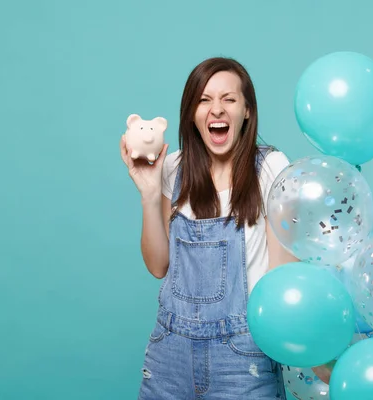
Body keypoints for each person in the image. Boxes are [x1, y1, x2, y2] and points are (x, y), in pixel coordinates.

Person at [120, 56, 298, 399]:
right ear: (192, 114)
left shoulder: (271, 168)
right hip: (169, 350)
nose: (217, 109)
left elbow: (281, 276)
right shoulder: (173, 168)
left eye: (229, 99)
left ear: (247, 111)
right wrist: (148, 192)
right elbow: (158, 265)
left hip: (244, 354)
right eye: (204, 100)